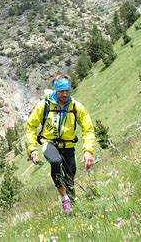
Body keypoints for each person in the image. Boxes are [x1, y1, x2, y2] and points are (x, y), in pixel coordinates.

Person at [26, 73, 95, 214]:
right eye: (61, 91)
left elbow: (88, 128)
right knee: (55, 161)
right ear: (56, 90)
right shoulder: (44, 106)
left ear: (70, 89)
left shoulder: (76, 107)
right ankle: (64, 199)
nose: (64, 94)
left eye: (67, 90)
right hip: (49, 143)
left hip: (68, 145)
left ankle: (72, 201)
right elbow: (31, 126)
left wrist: (88, 150)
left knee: (70, 176)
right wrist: (33, 148)